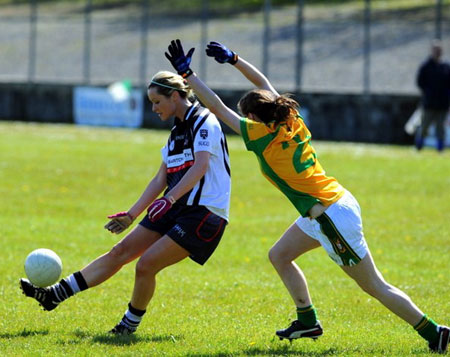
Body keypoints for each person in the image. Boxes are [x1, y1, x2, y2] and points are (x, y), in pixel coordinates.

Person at [164, 39, 449, 353]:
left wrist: (188, 75)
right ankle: (307, 320)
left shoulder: (259, 137)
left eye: (248, 116)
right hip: (329, 205)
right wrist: (234, 59)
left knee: (374, 286)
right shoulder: (290, 118)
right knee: (280, 255)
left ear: (256, 119)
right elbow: (262, 84)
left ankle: (435, 333)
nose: (245, 120)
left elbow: (216, 107)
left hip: (329, 216)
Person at [20, 70, 231, 336]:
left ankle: (127, 327)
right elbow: (160, 178)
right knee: (120, 252)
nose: (153, 108)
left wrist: (169, 198)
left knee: (146, 264)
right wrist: (132, 215)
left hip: (203, 213)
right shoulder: (176, 132)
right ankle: (54, 295)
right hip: (174, 205)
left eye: (157, 101)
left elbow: (200, 166)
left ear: (175, 96)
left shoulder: (205, 121)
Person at [415, 39, 450, 152]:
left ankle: (440, 149)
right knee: (425, 126)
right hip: (429, 103)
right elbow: (420, 82)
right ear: (431, 51)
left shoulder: (445, 67)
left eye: (439, 50)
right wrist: (428, 93)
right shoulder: (426, 66)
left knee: (441, 128)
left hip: (443, 104)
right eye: (436, 50)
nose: (438, 52)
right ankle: (419, 146)